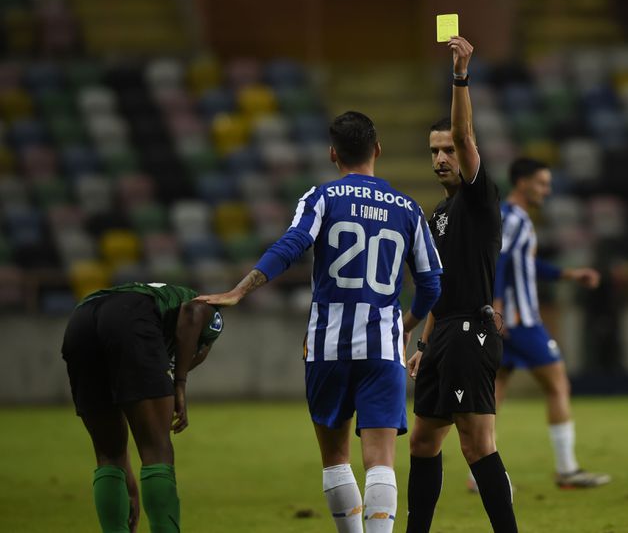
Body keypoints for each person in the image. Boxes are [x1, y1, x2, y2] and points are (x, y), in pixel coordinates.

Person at [197, 111, 442, 533]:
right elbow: (433, 284)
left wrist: (239, 290)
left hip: (326, 347)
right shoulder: (408, 209)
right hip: (383, 349)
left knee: (336, 458)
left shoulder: (321, 198)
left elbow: (291, 244)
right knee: (380, 459)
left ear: (333, 153)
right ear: (378, 150)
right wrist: (406, 324)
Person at [405, 36, 518, 533]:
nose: (441, 158)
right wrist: (424, 342)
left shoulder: (479, 198)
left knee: (477, 445)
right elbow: (437, 286)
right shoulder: (439, 213)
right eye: (434, 151)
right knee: (422, 442)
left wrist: (459, 75)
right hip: (444, 334)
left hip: (471, 332)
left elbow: (468, 137)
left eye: (448, 149)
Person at [480, 157, 611, 490]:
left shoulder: (511, 218)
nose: (547, 190)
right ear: (522, 183)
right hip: (519, 320)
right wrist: (496, 306)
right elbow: (499, 260)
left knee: (495, 393)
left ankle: (478, 474)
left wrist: (568, 274)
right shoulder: (514, 218)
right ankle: (567, 470)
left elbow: (525, 263)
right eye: (542, 183)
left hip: (506, 320)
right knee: (557, 385)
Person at [61, 281, 224, 533]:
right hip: (132, 317)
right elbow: (194, 311)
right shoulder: (211, 316)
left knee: (108, 456)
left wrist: (131, 486)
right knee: (156, 450)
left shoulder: (158, 304)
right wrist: (179, 383)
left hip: (81, 319)